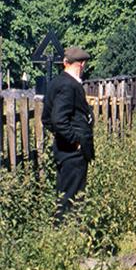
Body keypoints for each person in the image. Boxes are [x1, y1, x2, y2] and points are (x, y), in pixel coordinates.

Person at [42, 46, 95, 220]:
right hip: (73, 152)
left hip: (63, 148)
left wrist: (60, 136)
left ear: (65, 62)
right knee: (72, 197)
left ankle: (63, 234)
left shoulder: (56, 83)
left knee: (64, 193)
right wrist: (75, 141)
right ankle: (67, 235)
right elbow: (58, 120)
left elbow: (47, 119)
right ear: (82, 64)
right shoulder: (70, 85)